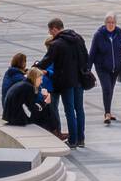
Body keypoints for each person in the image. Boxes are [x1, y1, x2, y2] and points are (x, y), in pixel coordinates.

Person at [37, 17, 91, 148]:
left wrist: (36, 67)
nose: (51, 35)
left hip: (66, 82)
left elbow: (47, 60)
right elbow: (86, 57)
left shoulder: (57, 44)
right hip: (79, 79)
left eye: (51, 32)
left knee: (69, 111)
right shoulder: (78, 38)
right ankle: (81, 139)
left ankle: (72, 140)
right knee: (79, 109)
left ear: (55, 29)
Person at [88, 14, 121, 125]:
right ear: (105, 24)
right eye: (109, 22)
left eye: (113, 22)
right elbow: (92, 53)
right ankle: (107, 114)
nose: (111, 24)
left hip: (115, 67)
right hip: (102, 67)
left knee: (111, 89)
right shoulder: (99, 35)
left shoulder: (119, 32)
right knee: (107, 88)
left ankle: (108, 110)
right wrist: (88, 69)